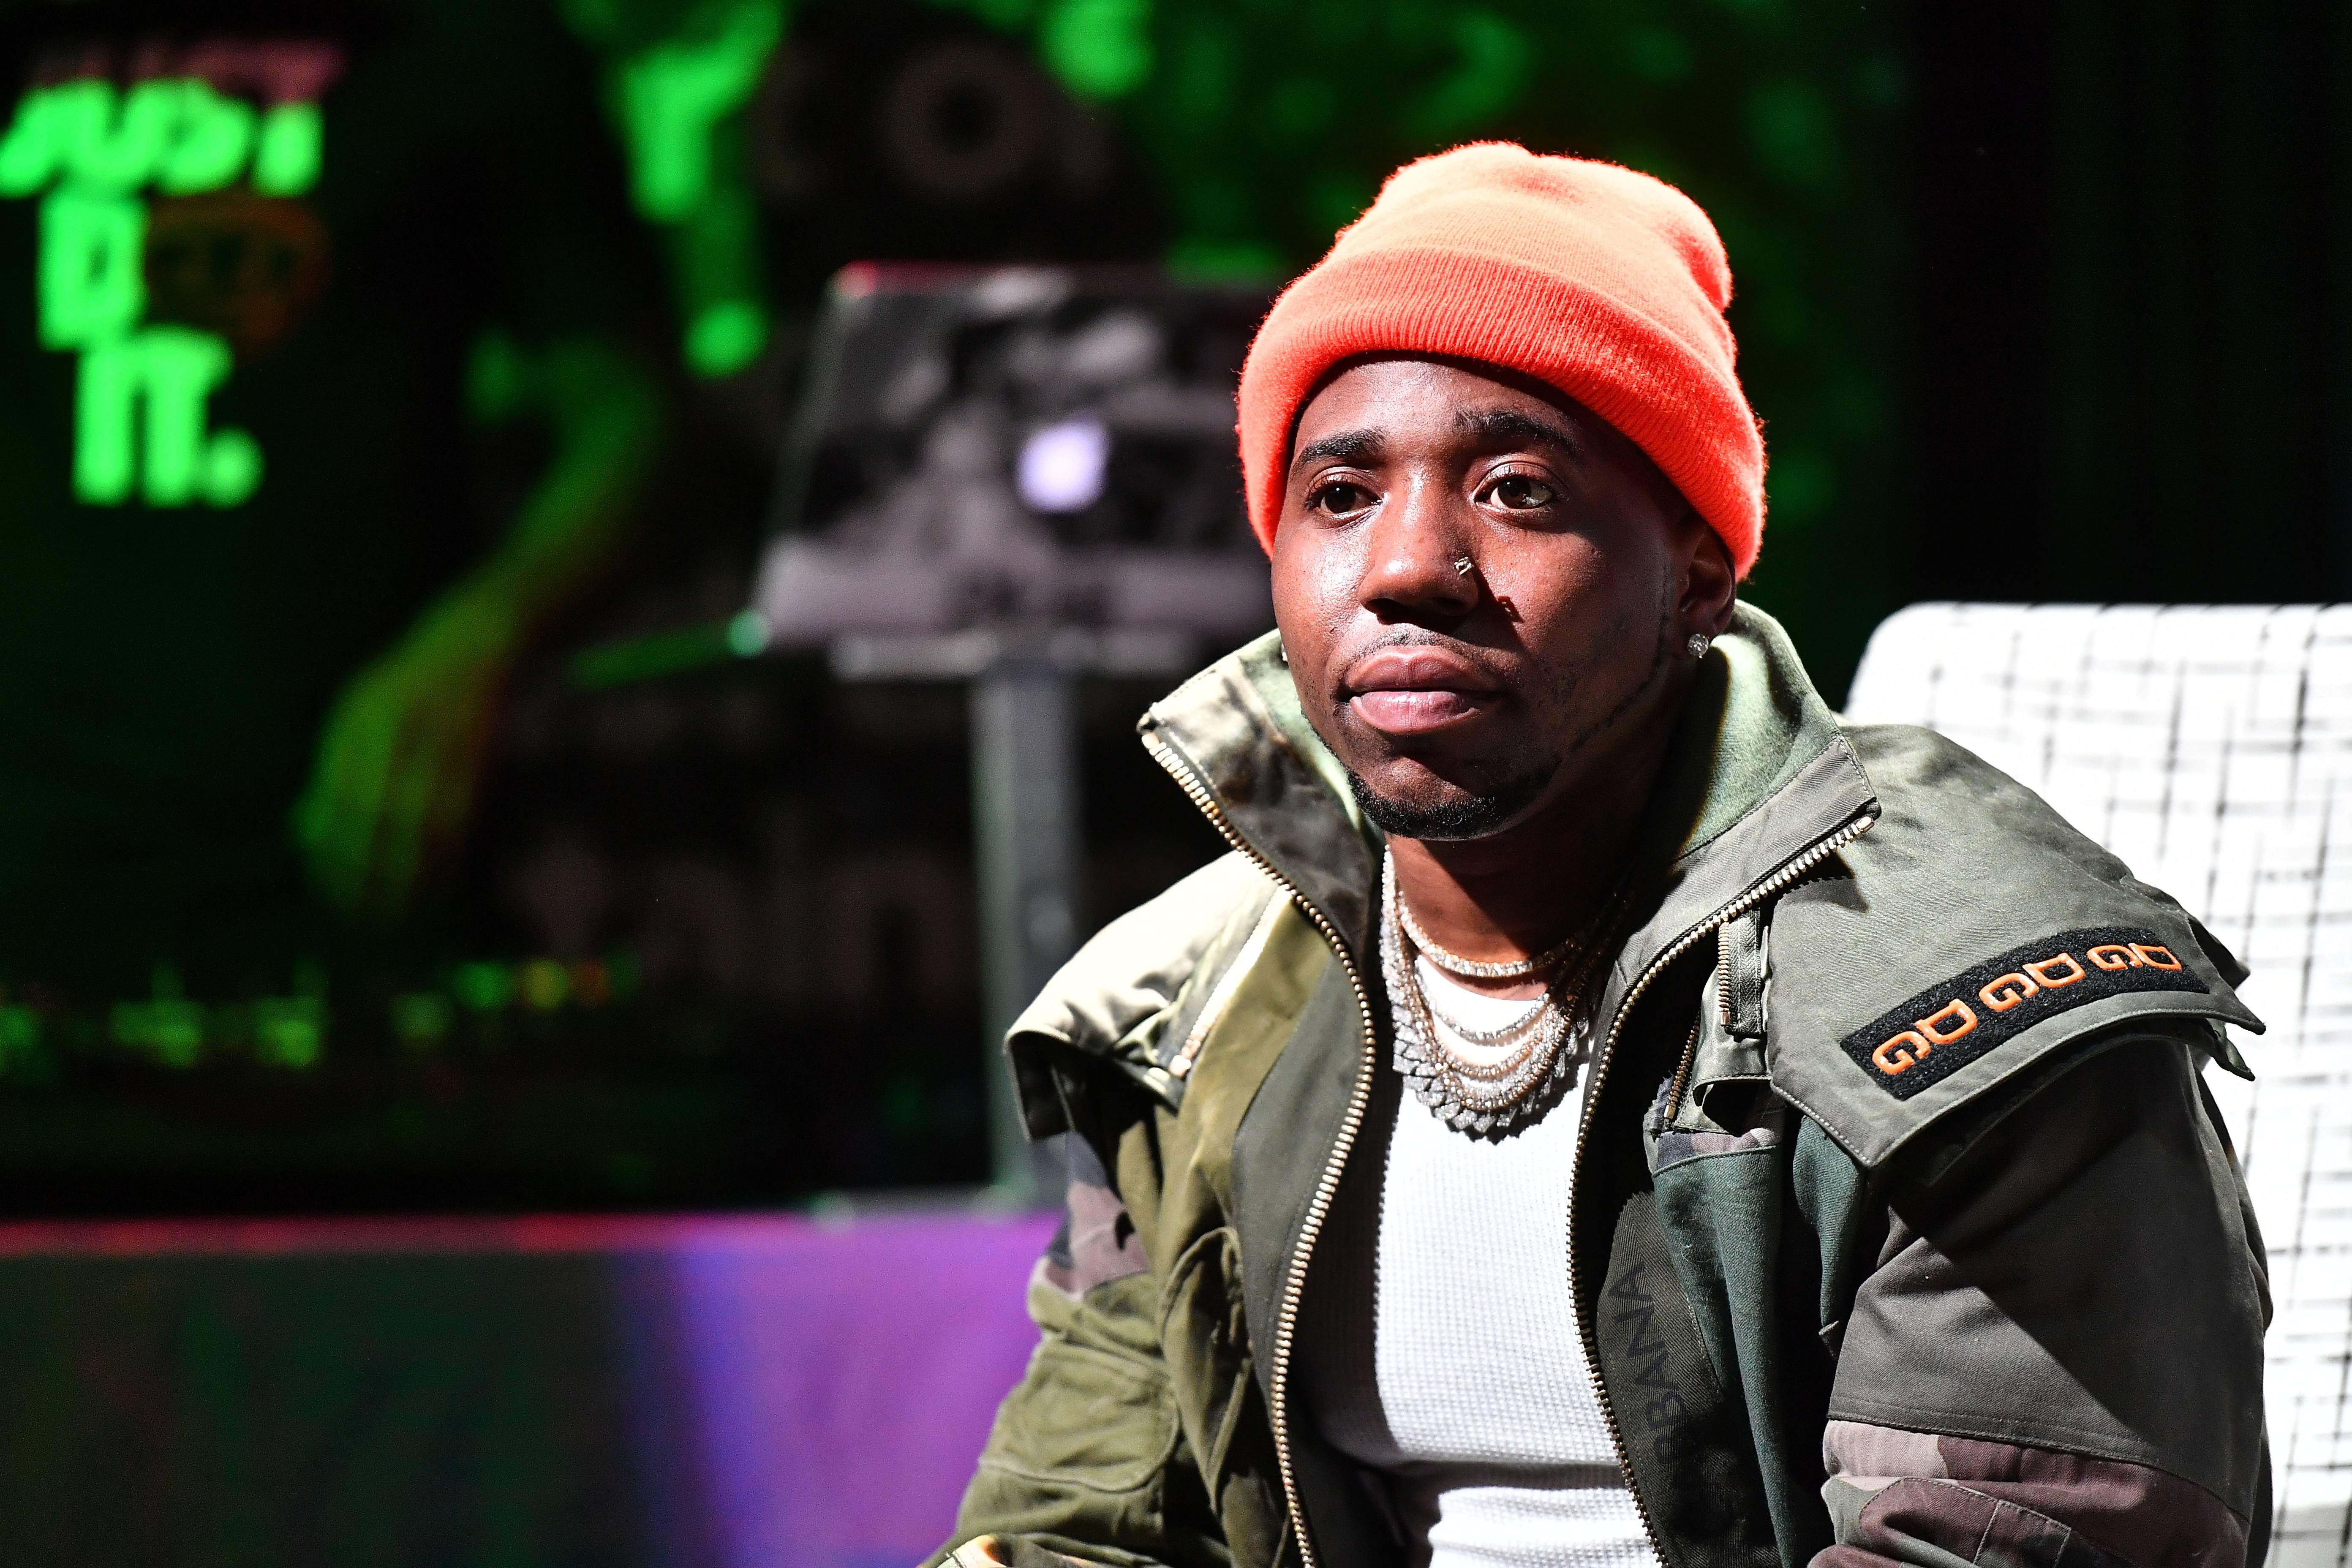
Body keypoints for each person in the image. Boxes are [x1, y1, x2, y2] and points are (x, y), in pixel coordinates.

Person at [936, 144, 2271, 1568]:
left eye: (1514, 489)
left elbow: (2027, 1532)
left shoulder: (1971, 992)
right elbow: (1075, 1517)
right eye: (1336, 495)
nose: (1402, 564)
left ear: (1695, 570)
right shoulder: (1187, 1008)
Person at [0, 0, 664, 1009]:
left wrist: (474, 638)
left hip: (347, 850)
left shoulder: (467, 42)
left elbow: (632, 422)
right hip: (30, 853)